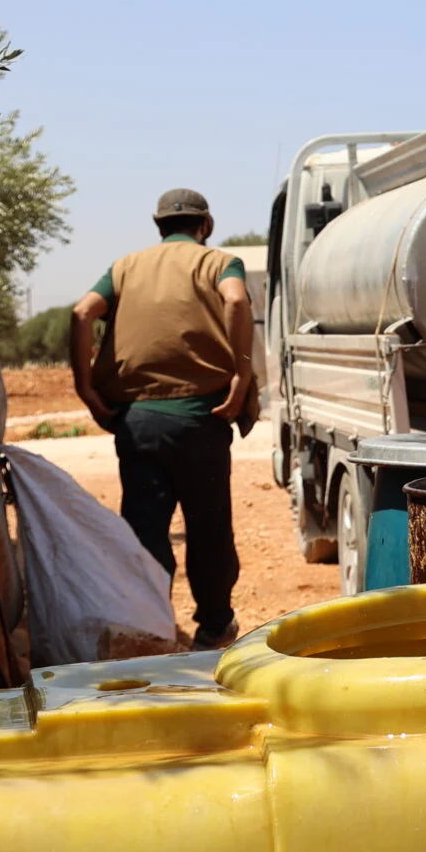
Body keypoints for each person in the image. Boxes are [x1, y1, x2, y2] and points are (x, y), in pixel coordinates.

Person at [72, 187, 256, 651]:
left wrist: (86, 387)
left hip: (138, 422)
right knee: (208, 526)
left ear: (159, 227)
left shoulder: (125, 267)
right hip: (201, 417)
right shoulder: (219, 263)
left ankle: (150, 623)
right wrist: (242, 371)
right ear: (205, 226)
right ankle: (214, 627)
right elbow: (235, 301)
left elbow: (82, 312)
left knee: (144, 528)